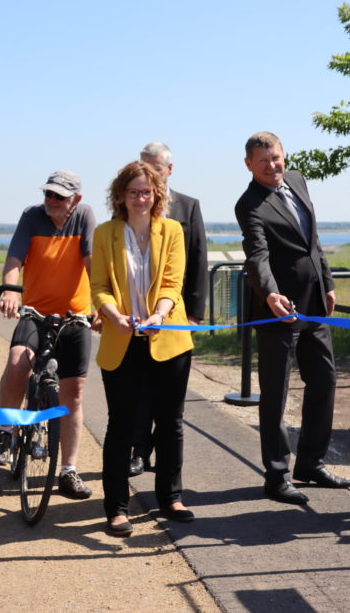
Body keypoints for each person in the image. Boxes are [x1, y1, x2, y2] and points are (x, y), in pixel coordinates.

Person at [234, 131, 350, 506]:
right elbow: (257, 255)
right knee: (276, 393)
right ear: (249, 165)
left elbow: (312, 240)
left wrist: (329, 282)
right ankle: (276, 474)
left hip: (315, 304)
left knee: (325, 381)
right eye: (264, 161)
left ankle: (312, 464)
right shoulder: (248, 204)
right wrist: (269, 293)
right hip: (278, 313)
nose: (273, 166)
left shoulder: (298, 180)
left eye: (277, 158)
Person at [91, 160, 195, 536]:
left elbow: (172, 282)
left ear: (157, 194)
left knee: (171, 422)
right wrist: (113, 315)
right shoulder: (105, 234)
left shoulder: (172, 231)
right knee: (122, 425)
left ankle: (170, 497)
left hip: (167, 340)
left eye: (146, 192)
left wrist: (161, 314)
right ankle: (117, 508)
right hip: (121, 341)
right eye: (133, 192)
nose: (140, 198)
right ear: (120, 196)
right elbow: (98, 285)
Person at [0, 171, 96, 500]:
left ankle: (69, 470)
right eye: (48, 194)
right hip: (35, 312)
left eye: (59, 197)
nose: (51, 201)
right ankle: (6, 430)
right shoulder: (31, 216)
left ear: (74, 200)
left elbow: (92, 262)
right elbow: (14, 260)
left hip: (74, 315)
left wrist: (100, 306)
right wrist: (10, 291)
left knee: (73, 394)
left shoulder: (85, 216)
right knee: (19, 363)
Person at [131, 141, 208, 477]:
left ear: (169, 169)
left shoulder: (189, 207)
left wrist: (194, 314)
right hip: (136, 316)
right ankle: (138, 452)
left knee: (168, 398)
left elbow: (199, 260)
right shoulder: (131, 205)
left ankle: (166, 459)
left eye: (156, 167)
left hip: (174, 317)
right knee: (139, 391)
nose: (149, 173)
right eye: (143, 166)